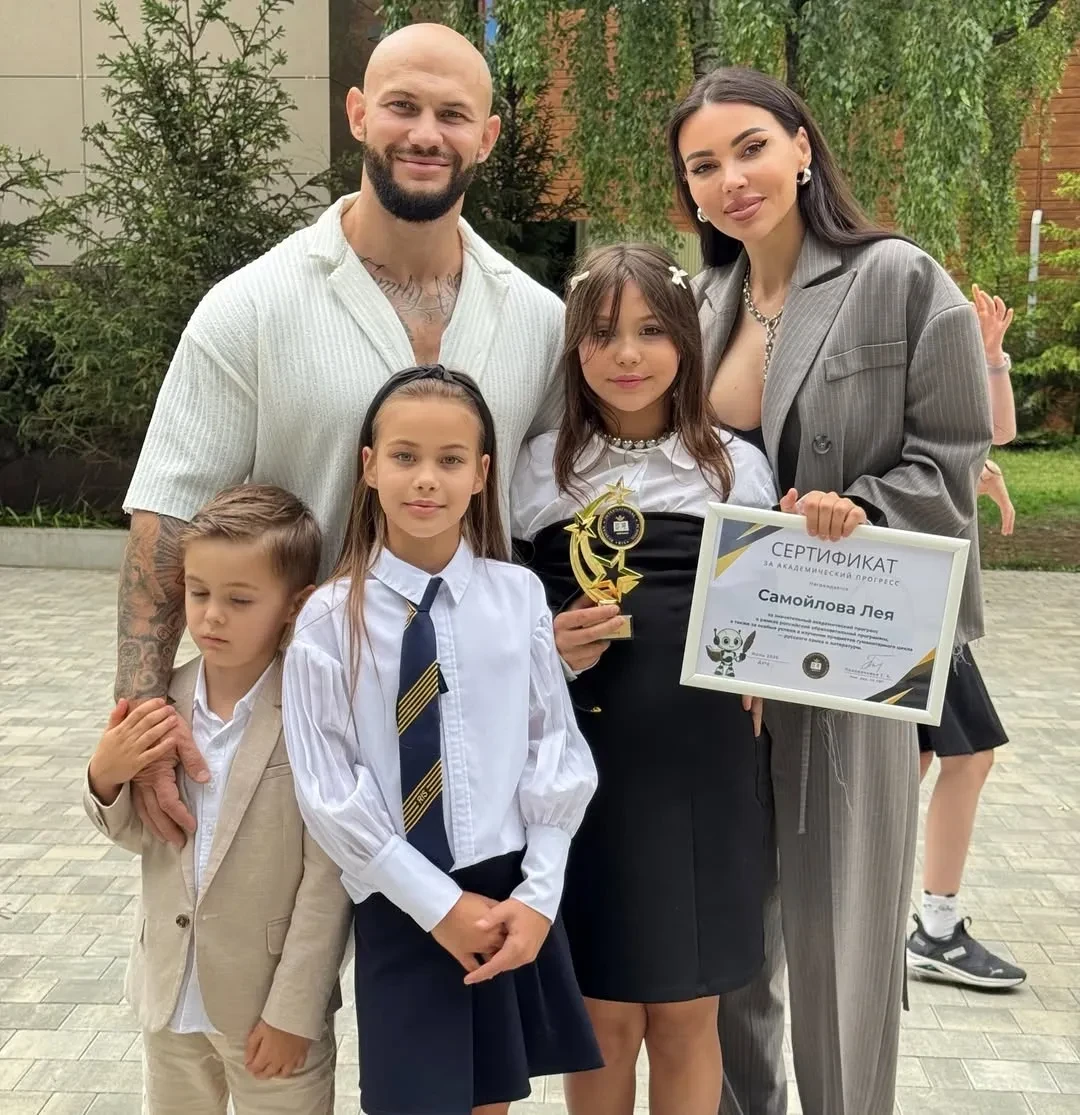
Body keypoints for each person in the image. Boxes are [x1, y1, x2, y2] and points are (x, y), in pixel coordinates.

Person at [112, 21, 603, 850]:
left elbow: (569, 506)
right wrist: (146, 721)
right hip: (288, 735)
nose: (425, 133)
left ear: (486, 136)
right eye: (402, 106)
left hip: (476, 752)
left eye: (452, 114)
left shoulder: (537, 321)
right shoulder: (249, 308)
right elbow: (167, 526)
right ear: (357, 114)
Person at [665, 68, 992, 1115]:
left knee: (843, 951)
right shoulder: (699, 305)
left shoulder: (898, 279)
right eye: (703, 166)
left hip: (848, 670)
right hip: (724, 684)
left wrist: (857, 506)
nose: (731, 179)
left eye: (750, 147)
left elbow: (951, 463)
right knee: (729, 955)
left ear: (803, 148)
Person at [281, 365, 602, 1115]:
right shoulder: (328, 622)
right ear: (369, 466)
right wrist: (436, 905)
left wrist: (538, 896)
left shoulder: (519, 596)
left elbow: (552, 749)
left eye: (450, 459)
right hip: (400, 897)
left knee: (492, 1102)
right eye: (405, 456)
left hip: (508, 895)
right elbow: (328, 791)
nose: (426, 478)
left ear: (481, 475)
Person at [510, 243, 777, 1115]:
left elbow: (773, 608)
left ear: (686, 341)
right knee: (603, 1014)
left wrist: (771, 655)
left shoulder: (735, 467)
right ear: (574, 348)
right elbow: (496, 622)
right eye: (602, 333)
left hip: (705, 773)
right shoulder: (538, 468)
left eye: (652, 330)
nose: (627, 354)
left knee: (689, 1014)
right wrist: (551, 644)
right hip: (585, 773)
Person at [83, 484, 352, 1115]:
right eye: (199, 593)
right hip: (168, 1000)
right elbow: (144, 835)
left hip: (269, 1013)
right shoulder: (161, 702)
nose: (211, 617)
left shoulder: (315, 711)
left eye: (240, 600)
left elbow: (329, 877)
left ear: (295, 605)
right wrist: (105, 775)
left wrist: (295, 1012)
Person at [907, 285, 1025, 989]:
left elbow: (995, 432)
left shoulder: (939, 358)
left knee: (923, 759)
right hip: (919, 597)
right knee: (967, 756)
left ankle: (916, 918)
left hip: (929, 596)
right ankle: (937, 929)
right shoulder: (910, 356)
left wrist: (991, 356)